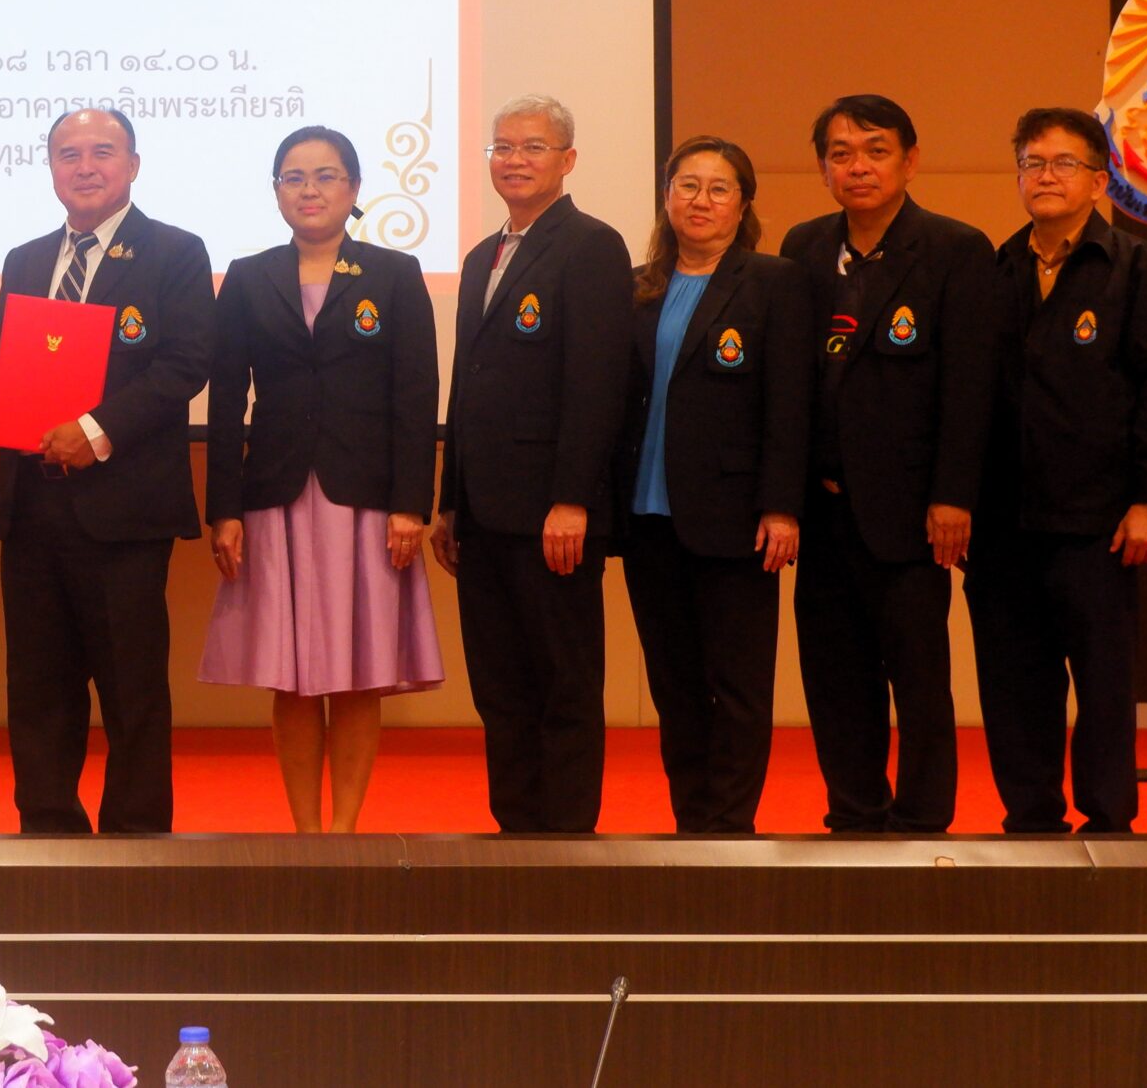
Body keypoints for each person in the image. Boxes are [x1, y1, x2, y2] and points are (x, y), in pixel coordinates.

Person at [0, 108, 214, 833]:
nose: (85, 167)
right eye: (69, 154)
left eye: (102, 152)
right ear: (51, 167)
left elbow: (185, 365)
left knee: (131, 690)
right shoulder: (27, 260)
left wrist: (95, 433)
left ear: (133, 164)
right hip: (33, 506)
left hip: (124, 512)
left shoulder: (175, 252)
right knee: (38, 687)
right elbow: (0, 371)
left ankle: (135, 840)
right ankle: (47, 830)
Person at [200, 125, 444, 833]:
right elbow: (225, 402)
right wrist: (224, 509)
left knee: (358, 671)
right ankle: (306, 832)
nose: (309, 190)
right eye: (294, 177)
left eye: (326, 176)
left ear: (354, 188)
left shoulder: (393, 274)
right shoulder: (248, 276)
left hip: (364, 501)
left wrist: (410, 505)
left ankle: (345, 832)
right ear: (277, 191)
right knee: (294, 675)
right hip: (275, 496)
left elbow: (416, 396)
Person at [966, 106, 1147, 833]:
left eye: (1064, 163)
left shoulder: (1133, 267)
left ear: (1098, 182)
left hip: (1099, 522)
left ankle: (1109, 824)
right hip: (1003, 523)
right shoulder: (996, 269)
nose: (1045, 176)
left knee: (1103, 683)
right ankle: (1030, 818)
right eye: (1032, 163)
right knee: (1012, 682)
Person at [778, 94, 996, 834]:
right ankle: (855, 812)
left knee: (919, 678)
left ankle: (925, 819)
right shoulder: (804, 247)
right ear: (822, 169)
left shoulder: (954, 249)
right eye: (841, 154)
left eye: (875, 151)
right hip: (823, 508)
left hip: (909, 510)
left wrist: (953, 496)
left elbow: (970, 387)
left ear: (910, 160)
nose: (858, 167)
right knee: (835, 675)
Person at [428, 94, 631, 834]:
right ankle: (516, 833)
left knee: (562, 684)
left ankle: (566, 840)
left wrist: (573, 498)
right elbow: (468, 386)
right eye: (503, 147)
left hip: (552, 513)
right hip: (482, 516)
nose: (515, 160)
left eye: (533, 147)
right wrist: (450, 501)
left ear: (567, 159)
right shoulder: (482, 255)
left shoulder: (592, 245)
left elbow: (597, 384)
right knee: (501, 687)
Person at [613, 137, 813, 834]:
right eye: (687, 186)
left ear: (743, 203)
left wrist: (782, 506)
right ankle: (691, 823)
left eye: (718, 188)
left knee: (737, 687)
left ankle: (729, 830)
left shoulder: (774, 282)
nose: (701, 201)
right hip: (647, 518)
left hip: (734, 519)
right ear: (667, 197)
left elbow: (790, 403)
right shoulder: (636, 286)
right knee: (675, 686)